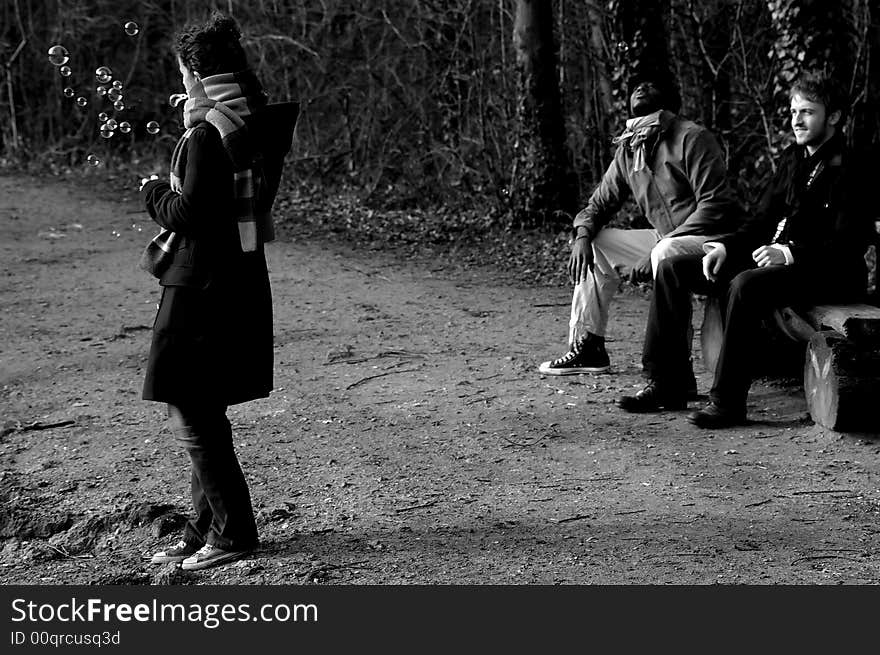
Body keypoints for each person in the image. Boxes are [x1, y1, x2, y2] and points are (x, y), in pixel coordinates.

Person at [620, 70, 871, 428]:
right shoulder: (793, 158)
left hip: (829, 271)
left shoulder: (851, 165)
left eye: (807, 112)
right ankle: (667, 382)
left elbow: (849, 242)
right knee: (674, 268)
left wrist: (789, 253)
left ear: (833, 117)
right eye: (793, 111)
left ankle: (727, 402)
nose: (796, 120)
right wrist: (725, 246)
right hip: (782, 263)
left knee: (746, 284)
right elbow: (761, 220)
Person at [140, 13, 297, 570]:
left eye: (184, 72)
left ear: (199, 75)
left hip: (201, 286)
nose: (181, 81)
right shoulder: (250, 121)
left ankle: (233, 534)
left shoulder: (208, 134)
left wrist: (155, 192)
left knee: (192, 408)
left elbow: (192, 214)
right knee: (202, 407)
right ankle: (203, 527)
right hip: (238, 278)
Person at [539, 77, 743, 385]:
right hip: (666, 239)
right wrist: (582, 235)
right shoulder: (629, 147)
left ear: (669, 104)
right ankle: (590, 345)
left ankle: (674, 372)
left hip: (713, 242)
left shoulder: (692, 137)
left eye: (650, 84)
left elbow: (715, 206)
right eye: (637, 85)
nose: (641, 87)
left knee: (663, 251)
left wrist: (660, 249)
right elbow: (598, 204)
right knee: (600, 243)